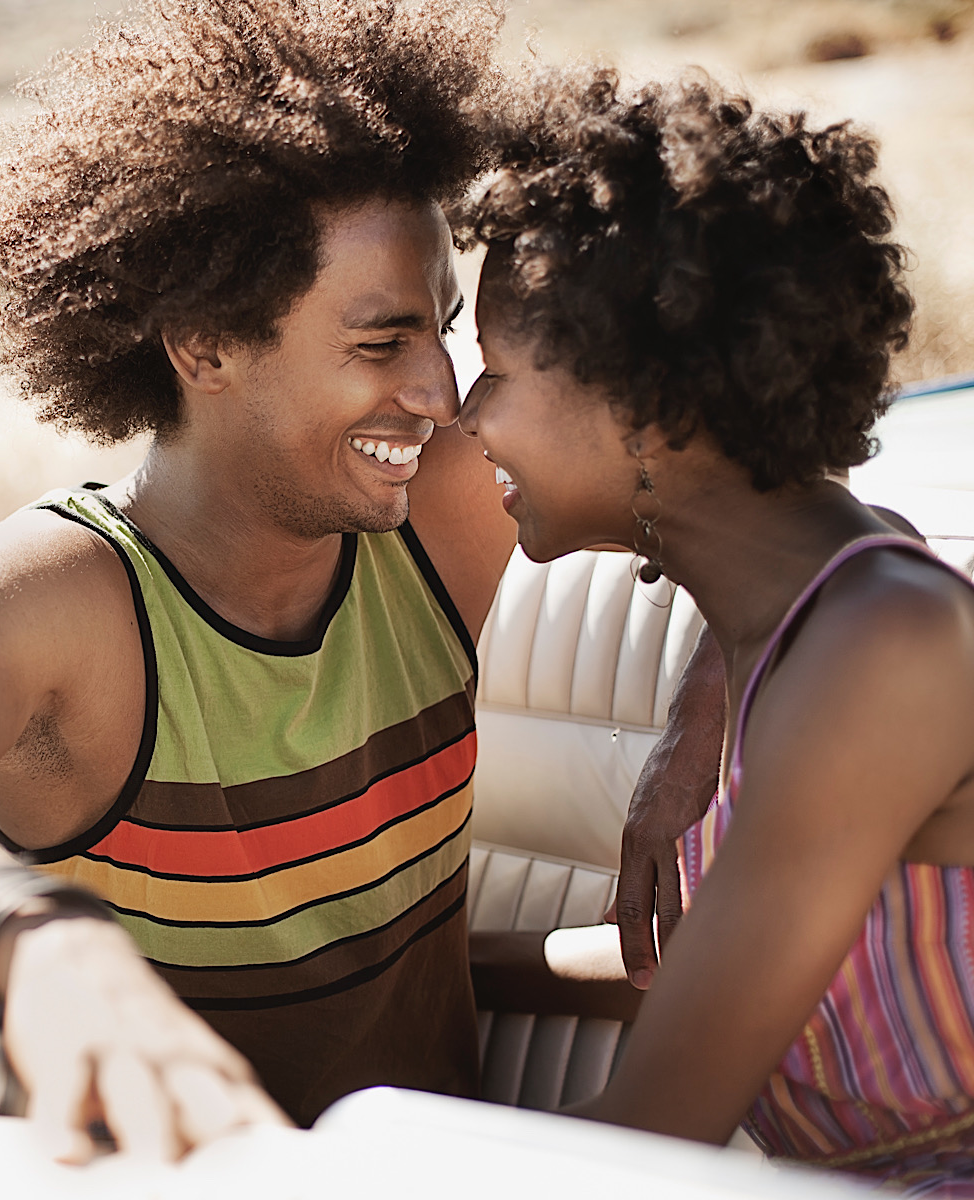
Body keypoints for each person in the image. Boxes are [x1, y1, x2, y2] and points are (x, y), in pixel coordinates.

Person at [0, 1, 723, 1160]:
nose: (440, 395)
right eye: (378, 342)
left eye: (441, 333)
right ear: (203, 344)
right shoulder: (57, 594)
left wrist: (690, 735)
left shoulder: (438, 506)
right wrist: (45, 943)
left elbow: (761, 519)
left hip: (456, 1168)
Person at [456, 69, 974, 1193]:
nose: (464, 417)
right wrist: (413, 970)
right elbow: (703, 969)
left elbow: (648, 1135)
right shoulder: (793, 620)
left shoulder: (878, 648)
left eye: (492, 372)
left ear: (644, 407)